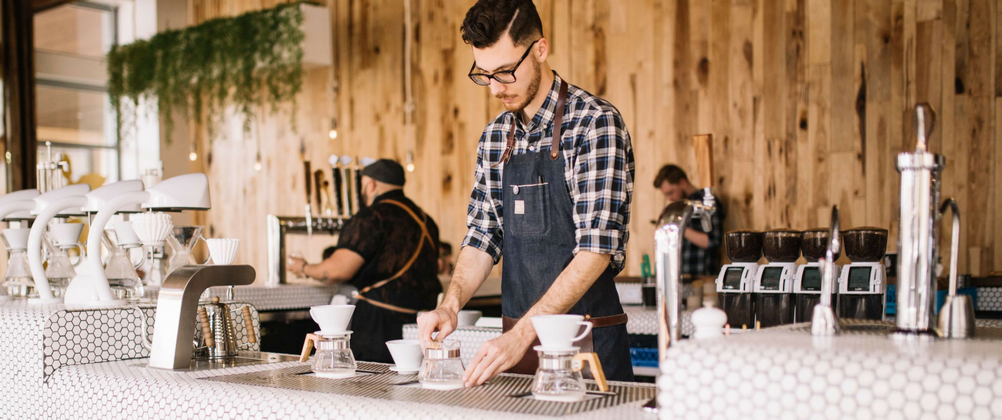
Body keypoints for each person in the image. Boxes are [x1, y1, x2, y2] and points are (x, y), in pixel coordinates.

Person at [417, 0, 636, 386]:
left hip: (586, 350)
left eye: (504, 72)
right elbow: (483, 235)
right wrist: (449, 306)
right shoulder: (495, 136)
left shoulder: (594, 125)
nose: (495, 89)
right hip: (516, 351)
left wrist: (522, 334)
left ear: (540, 50)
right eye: (484, 75)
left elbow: (596, 251)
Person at [288, 159, 442, 363]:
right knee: (411, 387)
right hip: (420, 326)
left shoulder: (373, 217)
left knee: (371, 388)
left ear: (371, 185)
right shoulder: (426, 220)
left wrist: (303, 267)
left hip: (378, 327)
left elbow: (336, 271)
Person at [654, 164, 725, 276]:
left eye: (671, 192)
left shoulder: (706, 204)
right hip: (681, 277)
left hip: (703, 277)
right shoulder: (680, 207)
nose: (670, 198)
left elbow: (713, 242)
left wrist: (679, 227)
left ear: (683, 183)